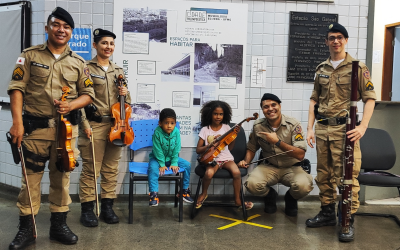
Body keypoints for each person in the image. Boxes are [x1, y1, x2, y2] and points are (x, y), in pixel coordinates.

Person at [7, 7, 94, 249]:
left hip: (65, 134)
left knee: (61, 180)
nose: (61, 30)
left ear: (71, 32)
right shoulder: (30, 55)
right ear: (47, 28)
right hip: (34, 131)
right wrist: (17, 123)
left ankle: (58, 226)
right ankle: (27, 229)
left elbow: (88, 94)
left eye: (66, 27)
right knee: (30, 181)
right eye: (56, 25)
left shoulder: (78, 62)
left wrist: (71, 105)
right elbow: (17, 88)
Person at [305, 23, 376, 242]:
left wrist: (362, 126)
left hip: (345, 130)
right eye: (331, 37)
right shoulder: (321, 69)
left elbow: (370, 98)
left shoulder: (357, 67)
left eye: (339, 37)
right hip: (323, 127)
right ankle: (327, 212)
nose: (335, 41)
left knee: (347, 177)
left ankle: (347, 219)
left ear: (345, 40)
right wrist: (309, 128)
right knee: (324, 174)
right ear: (326, 42)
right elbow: (314, 99)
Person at [78, 28, 131, 227]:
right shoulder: (86, 68)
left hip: (116, 125)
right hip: (94, 124)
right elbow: (80, 98)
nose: (108, 47)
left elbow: (127, 102)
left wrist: (125, 93)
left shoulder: (119, 71)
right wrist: (84, 124)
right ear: (95, 45)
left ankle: (107, 207)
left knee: (111, 169)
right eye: (104, 43)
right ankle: (87, 210)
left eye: (111, 44)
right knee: (91, 169)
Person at [238, 94, 313, 216]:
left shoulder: (293, 124)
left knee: (304, 186)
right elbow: (252, 148)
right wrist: (245, 161)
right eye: (266, 107)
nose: (270, 109)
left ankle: (290, 198)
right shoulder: (258, 126)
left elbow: (300, 155)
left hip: (292, 167)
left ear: (280, 106)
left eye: (274, 105)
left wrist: (277, 142)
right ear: (263, 110)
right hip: (269, 166)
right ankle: (270, 195)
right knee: (252, 184)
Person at [196, 101, 253, 210]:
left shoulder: (227, 128)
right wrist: (209, 146)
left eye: (221, 114)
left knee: (236, 172)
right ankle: (203, 194)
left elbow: (230, 148)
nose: (218, 117)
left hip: (226, 158)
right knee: (208, 173)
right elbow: (198, 150)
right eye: (215, 114)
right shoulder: (205, 129)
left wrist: (234, 135)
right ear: (210, 114)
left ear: (224, 115)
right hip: (212, 159)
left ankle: (237, 200)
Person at [148, 108, 193, 206]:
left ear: (175, 123)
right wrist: (162, 164)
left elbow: (177, 148)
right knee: (152, 168)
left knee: (187, 165)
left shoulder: (176, 132)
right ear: (160, 123)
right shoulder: (157, 133)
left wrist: (174, 163)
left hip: (171, 159)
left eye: (172, 123)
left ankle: (184, 191)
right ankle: (153, 194)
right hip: (157, 159)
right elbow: (157, 150)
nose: (169, 126)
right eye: (166, 123)